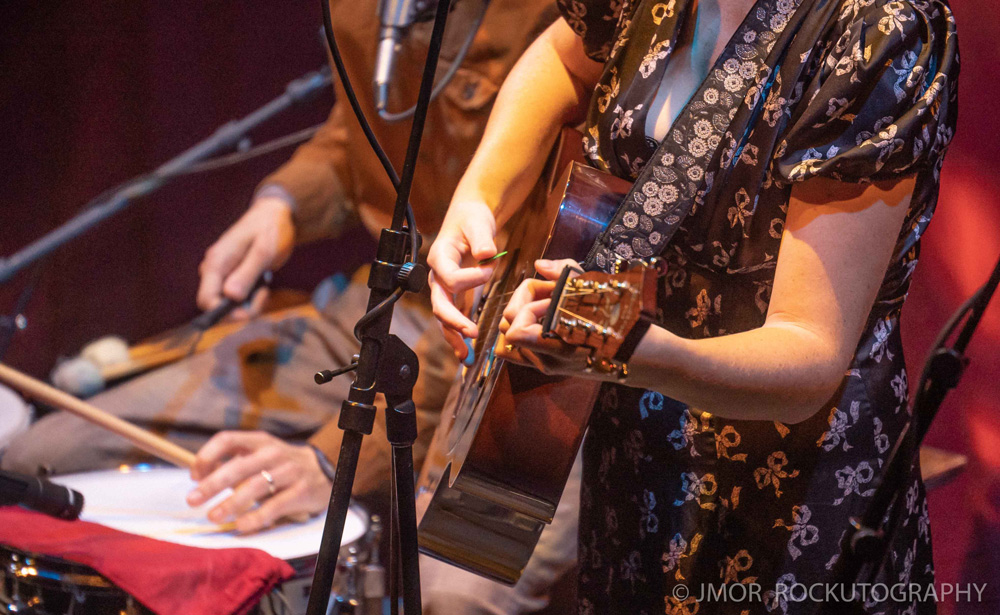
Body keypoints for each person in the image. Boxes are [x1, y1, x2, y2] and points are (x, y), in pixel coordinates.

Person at [3, 0, 583, 613]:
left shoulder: (559, 21)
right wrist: (280, 206)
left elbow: (495, 294)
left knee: (450, 596)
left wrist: (327, 462)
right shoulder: (361, 10)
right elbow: (350, 139)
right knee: (44, 456)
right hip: (389, 313)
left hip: (512, 334)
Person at [427, 0, 958, 612]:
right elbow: (563, 56)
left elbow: (810, 354)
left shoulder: (881, 27)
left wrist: (623, 346)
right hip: (631, 438)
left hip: (784, 492)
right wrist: (480, 196)